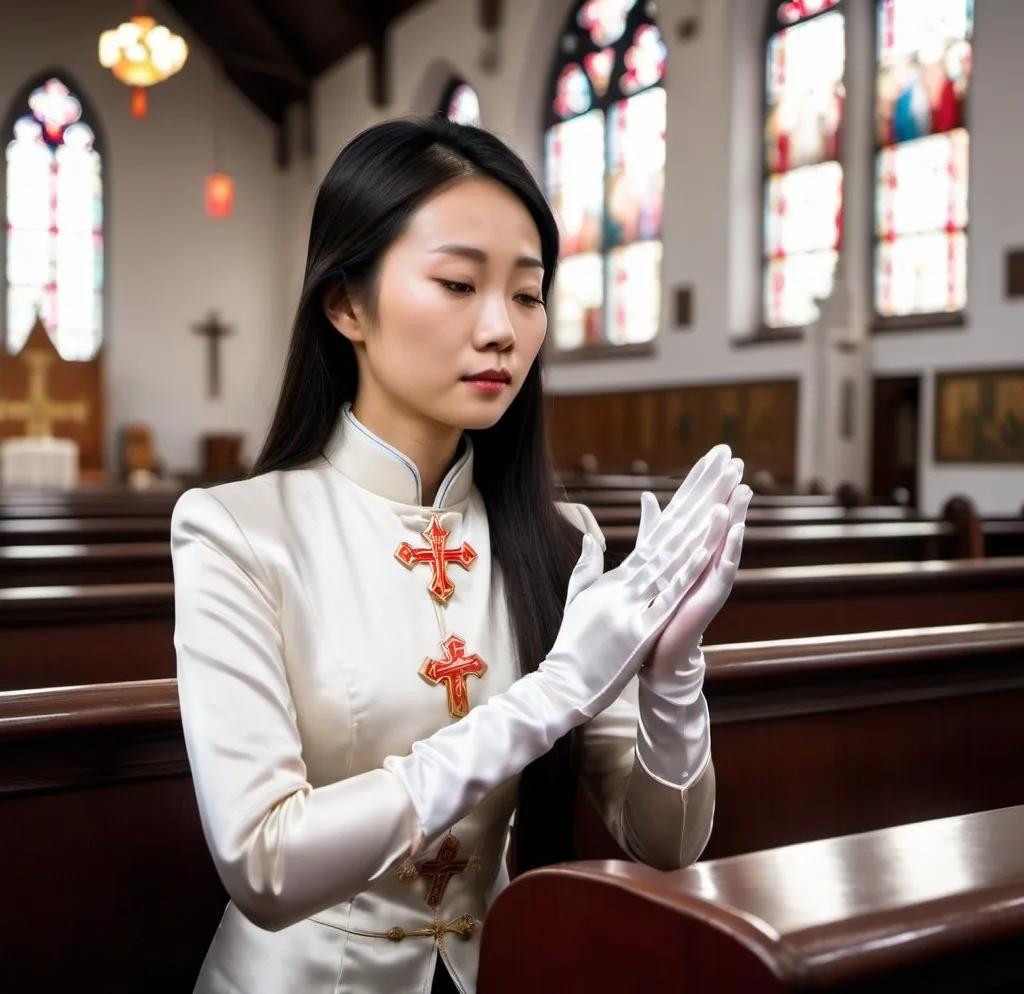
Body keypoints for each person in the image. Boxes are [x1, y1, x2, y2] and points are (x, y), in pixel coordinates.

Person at [171, 116, 751, 994]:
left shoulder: (559, 540)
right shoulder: (236, 531)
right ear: (346, 304)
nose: (503, 330)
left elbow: (662, 841)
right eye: (457, 283)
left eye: (527, 294)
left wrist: (673, 680)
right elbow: (266, 863)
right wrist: (549, 696)